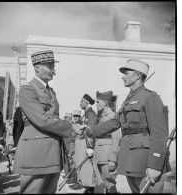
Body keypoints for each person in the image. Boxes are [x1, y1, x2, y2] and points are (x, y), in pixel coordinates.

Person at [80, 59, 171, 193]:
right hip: (131, 160)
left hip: (146, 161)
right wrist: (89, 130)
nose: (123, 76)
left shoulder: (150, 97)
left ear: (137, 75)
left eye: (126, 73)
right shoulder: (127, 101)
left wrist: (155, 165)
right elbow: (114, 122)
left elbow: (159, 134)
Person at [14, 50, 76, 194]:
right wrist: (71, 127)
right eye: (50, 66)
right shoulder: (27, 90)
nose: (53, 71)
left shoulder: (51, 92)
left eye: (53, 66)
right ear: (37, 67)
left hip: (52, 151)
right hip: (36, 153)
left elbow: (53, 119)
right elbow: (42, 120)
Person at [93, 91, 121, 193]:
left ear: (105, 103)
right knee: (105, 184)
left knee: (110, 184)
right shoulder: (103, 117)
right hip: (100, 156)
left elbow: (116, 139)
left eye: (98, 102)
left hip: (107, 157)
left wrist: (113, 159)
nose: (96, 104)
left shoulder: (112, 117)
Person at [70, 94, 98, 193]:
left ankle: (90, 190)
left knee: (88, 171)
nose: (80, 103)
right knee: (84, 171)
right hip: (82, 146)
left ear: (86, 103)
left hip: (87, 147)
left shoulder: (91, 115)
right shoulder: (86, 114)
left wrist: (90, 147)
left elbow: (91, 131)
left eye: (82, 101)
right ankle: (87, 189)